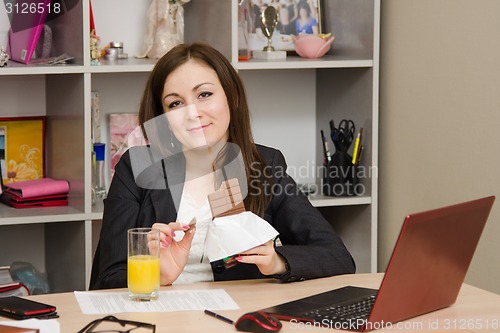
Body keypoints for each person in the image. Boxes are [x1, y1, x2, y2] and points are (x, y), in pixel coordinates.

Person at [90, 42, 355, 290]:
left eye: (204, 94)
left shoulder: (264, 166)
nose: (192, 113)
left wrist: (276, 261)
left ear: (232, 97)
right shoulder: (138, 167)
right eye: (176, 103)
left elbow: (337, 256)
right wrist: (158, 276)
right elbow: (107, 280)